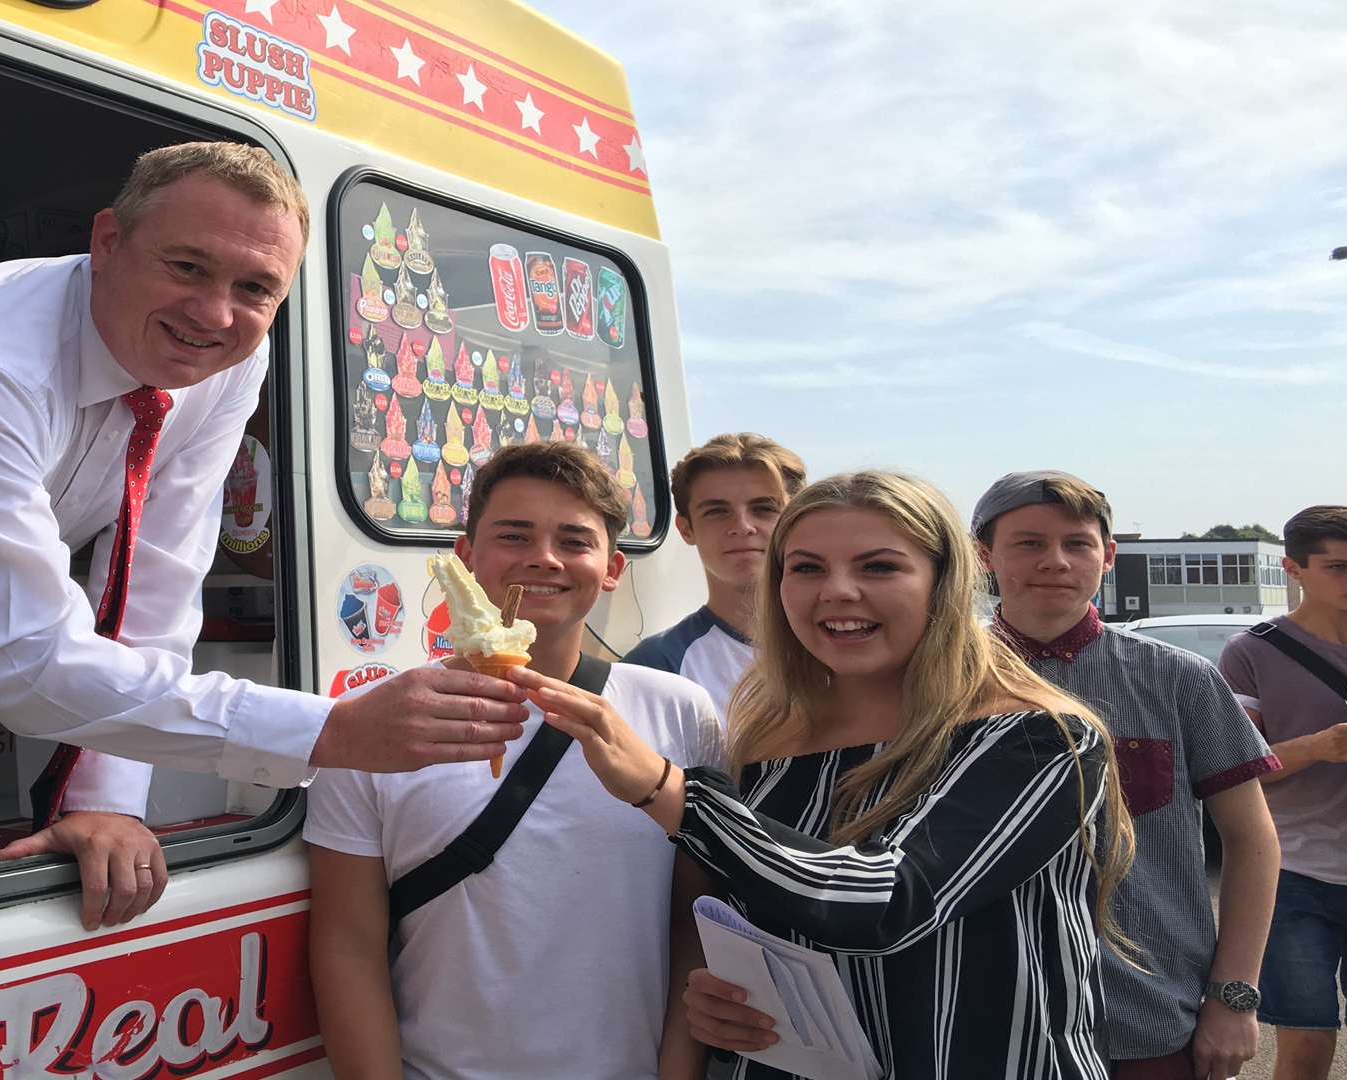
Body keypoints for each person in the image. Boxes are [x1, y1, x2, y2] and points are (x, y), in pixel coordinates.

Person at [0, 142, 527, 930]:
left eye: (255, 286)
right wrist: (330, 730)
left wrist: (105, 799)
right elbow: (29, 663)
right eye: (187, 266)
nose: (214, 313)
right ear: (107, 240)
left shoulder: (232, 357)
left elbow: (157, 576)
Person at [516, 470, 1137, 1080]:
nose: (837, 591)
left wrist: (665, 790)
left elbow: (885, 901)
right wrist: (718, 1004)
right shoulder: (766, 741)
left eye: (879, 567)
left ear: (943, 583)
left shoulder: (1038, 737)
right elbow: (742, 920)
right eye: (806, 568)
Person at [305, 442, 724, 1079]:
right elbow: (347, 945)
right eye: (514, 534)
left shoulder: (680, 713)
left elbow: (692, 929)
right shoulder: (371, 723)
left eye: (574, 541)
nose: (545, 558)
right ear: (466, 557)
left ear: (611, 569)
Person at [972, 470, 1280, 1080]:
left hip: (1150, 1012)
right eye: (1029, 543)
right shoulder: (940, 683)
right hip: (985, 1011)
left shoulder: (1181, 679)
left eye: (1077, 543)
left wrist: (1234, 997)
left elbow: (1252, 840)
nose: (1055, 561)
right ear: (985, 554)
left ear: (1108, 556)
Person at [1218, 505, 1347, 1080]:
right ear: (1293, 568)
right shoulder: (1253, 651)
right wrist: (1320, 747)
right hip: (1294, 870)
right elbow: (1232, 772)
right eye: (1339, 567)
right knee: (1305, 1047)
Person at [623, 433, 805, 710]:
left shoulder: (843, 643)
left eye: (764, 508)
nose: (742, 526)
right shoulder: (656, 665)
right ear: (686, 529)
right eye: (717, 512)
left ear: (796, 520)